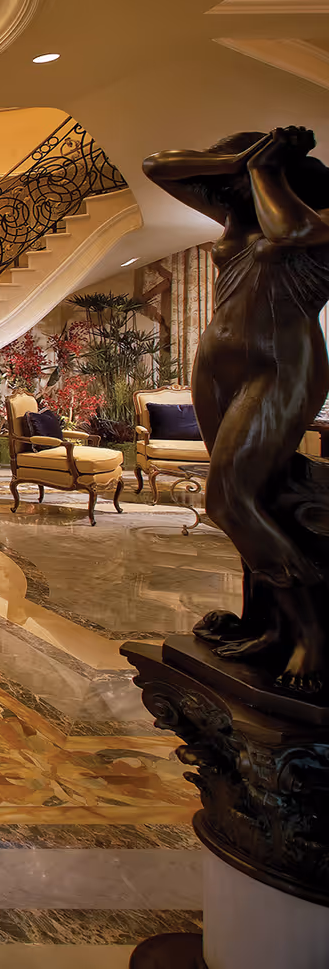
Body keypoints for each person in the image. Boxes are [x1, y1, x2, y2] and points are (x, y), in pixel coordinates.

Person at [142, 125, 329, 693]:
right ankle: (267, 624)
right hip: (216, 364)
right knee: (260, 498)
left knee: (229, 499)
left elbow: (290, 229)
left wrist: (265, 170)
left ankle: (312, 633)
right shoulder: (237, 216)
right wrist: (247, 159)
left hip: (281, 366)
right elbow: (157, 161)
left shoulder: (311, 217)